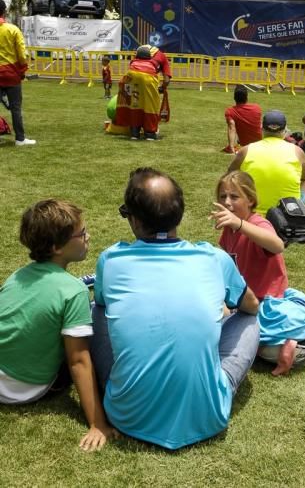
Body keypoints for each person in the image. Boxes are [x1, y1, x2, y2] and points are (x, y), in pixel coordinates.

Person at [90, 167, 259, 450]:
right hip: (208, 415)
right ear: (178, 214)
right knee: (251, 319)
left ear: (133, 219)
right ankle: (207, 380)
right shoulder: (214, 258)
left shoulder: (111, 259)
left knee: (97, 307)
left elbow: (104, 307)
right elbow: (251, 305)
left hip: (127, 415)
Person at [0, 199, 115, 451]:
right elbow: (78, 361)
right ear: (57, 247)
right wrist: (97, 423)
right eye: (82, 233)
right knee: (91, 323)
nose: (88, 236)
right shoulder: (73, 291)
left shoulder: (16, 276)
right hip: (26, 389)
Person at [212, 171, 305, 376]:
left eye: (234, 196)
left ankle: (295, 344)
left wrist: (240, 224)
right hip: (246, 301)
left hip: (268, 302)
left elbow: (277, 245)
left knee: (251, 341)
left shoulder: (258, 224)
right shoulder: (228, 229)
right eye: (223, 196)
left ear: (250, 200)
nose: (227, 202)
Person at [228, 110, 305, 215]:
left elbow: (229, 177)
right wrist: (301, 202)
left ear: (262, 128)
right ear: (285, 131)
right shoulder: (298, 152)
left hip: (252, 218)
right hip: (289, 218)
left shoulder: (245, 151)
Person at [108, 44, 171, 140]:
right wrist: (162, 88)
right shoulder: (162, 57)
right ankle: (149, 133)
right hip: (148, 75)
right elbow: (166, 80)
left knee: (135, 103)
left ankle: (134, 132)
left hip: (131, 74)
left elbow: (132, 68)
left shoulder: (138, 53)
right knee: (151, 106)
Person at [0, 0, 35, 146]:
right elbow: (21, 54)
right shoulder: (12, 29)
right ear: (4, 11)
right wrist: (22, 70)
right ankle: (20, 139)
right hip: (11, 73)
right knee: (15, 107)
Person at [222, 84, 262, 154]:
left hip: (245, 144)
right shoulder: (257, 108)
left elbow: (232, 127)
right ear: (246, 97)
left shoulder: (230, 111)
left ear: (234, 98)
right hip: (260, 143)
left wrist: (231, 147)